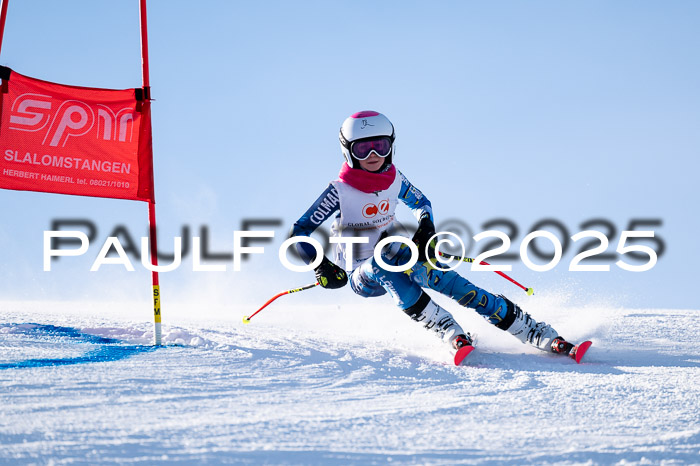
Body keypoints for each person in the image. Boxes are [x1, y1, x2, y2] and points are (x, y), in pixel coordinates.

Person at [290, 110, 575, 359]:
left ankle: (534, 331)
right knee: (381, 262)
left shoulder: (395, 178)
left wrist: (427, 229)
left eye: (380, 146)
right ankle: (446, 329)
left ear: (391, 146)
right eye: (363, 149)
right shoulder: (339, 191)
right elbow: (299, 232)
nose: (374, 155)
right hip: (360, 274)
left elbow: (421, 203)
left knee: (438, 276)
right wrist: (320, 265)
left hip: (396, 252)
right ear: (348, 151)